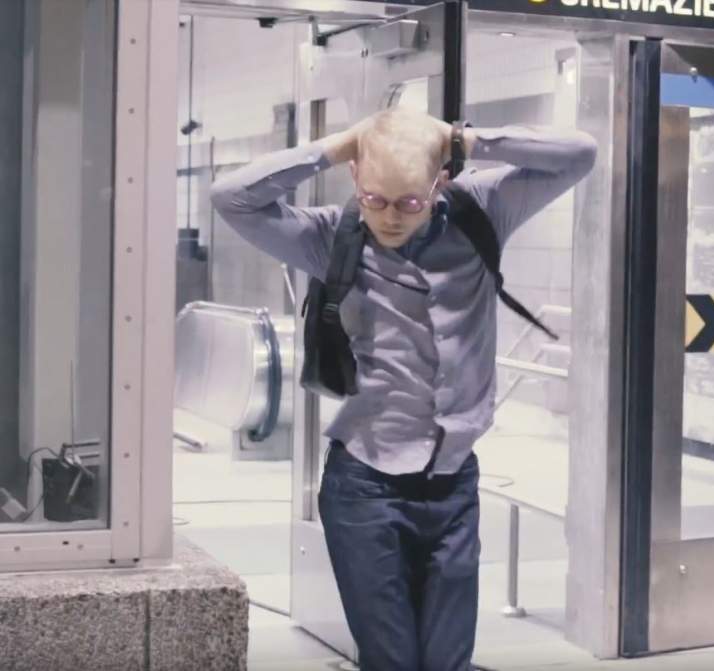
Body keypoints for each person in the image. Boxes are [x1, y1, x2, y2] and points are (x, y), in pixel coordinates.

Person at [210, 108, 598, 670]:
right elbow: (232, 197)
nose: (390, 217)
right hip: (364, 485)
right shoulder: (330, 237)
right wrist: (337, 146)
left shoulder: (483, 211)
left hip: (453, 483)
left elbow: (581, 152)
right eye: (375, 200)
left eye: (409, 203)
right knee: (391, 660)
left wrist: (464, 139)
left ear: (440, 181)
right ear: (357, 184)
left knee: (447, 662)